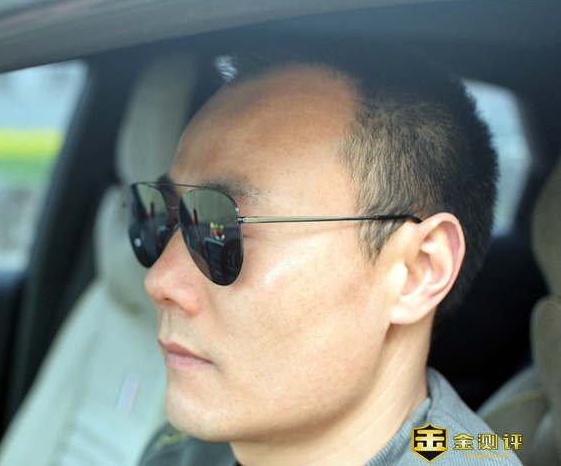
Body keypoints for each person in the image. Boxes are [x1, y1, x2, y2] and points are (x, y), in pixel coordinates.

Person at [126, 39, 521, 465]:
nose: (159, 280)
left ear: (417, 270)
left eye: (221, 228)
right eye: (163, 217)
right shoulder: (184, 450)